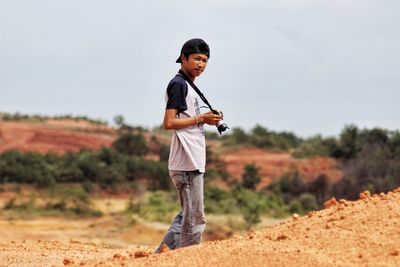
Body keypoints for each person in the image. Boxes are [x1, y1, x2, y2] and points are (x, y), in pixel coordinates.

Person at [155, 38, 222, 252]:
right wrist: (200, 119)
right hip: (186, 162)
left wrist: (207, 118)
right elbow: (169, 123)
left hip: (190, 160)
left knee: (187, 215)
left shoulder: (188, 85)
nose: (200, 64)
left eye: (205, 60)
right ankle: (189, 259)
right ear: (183, 58)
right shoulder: (179, 84)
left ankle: (158, 258)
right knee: (195, 218)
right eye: (196, 59)